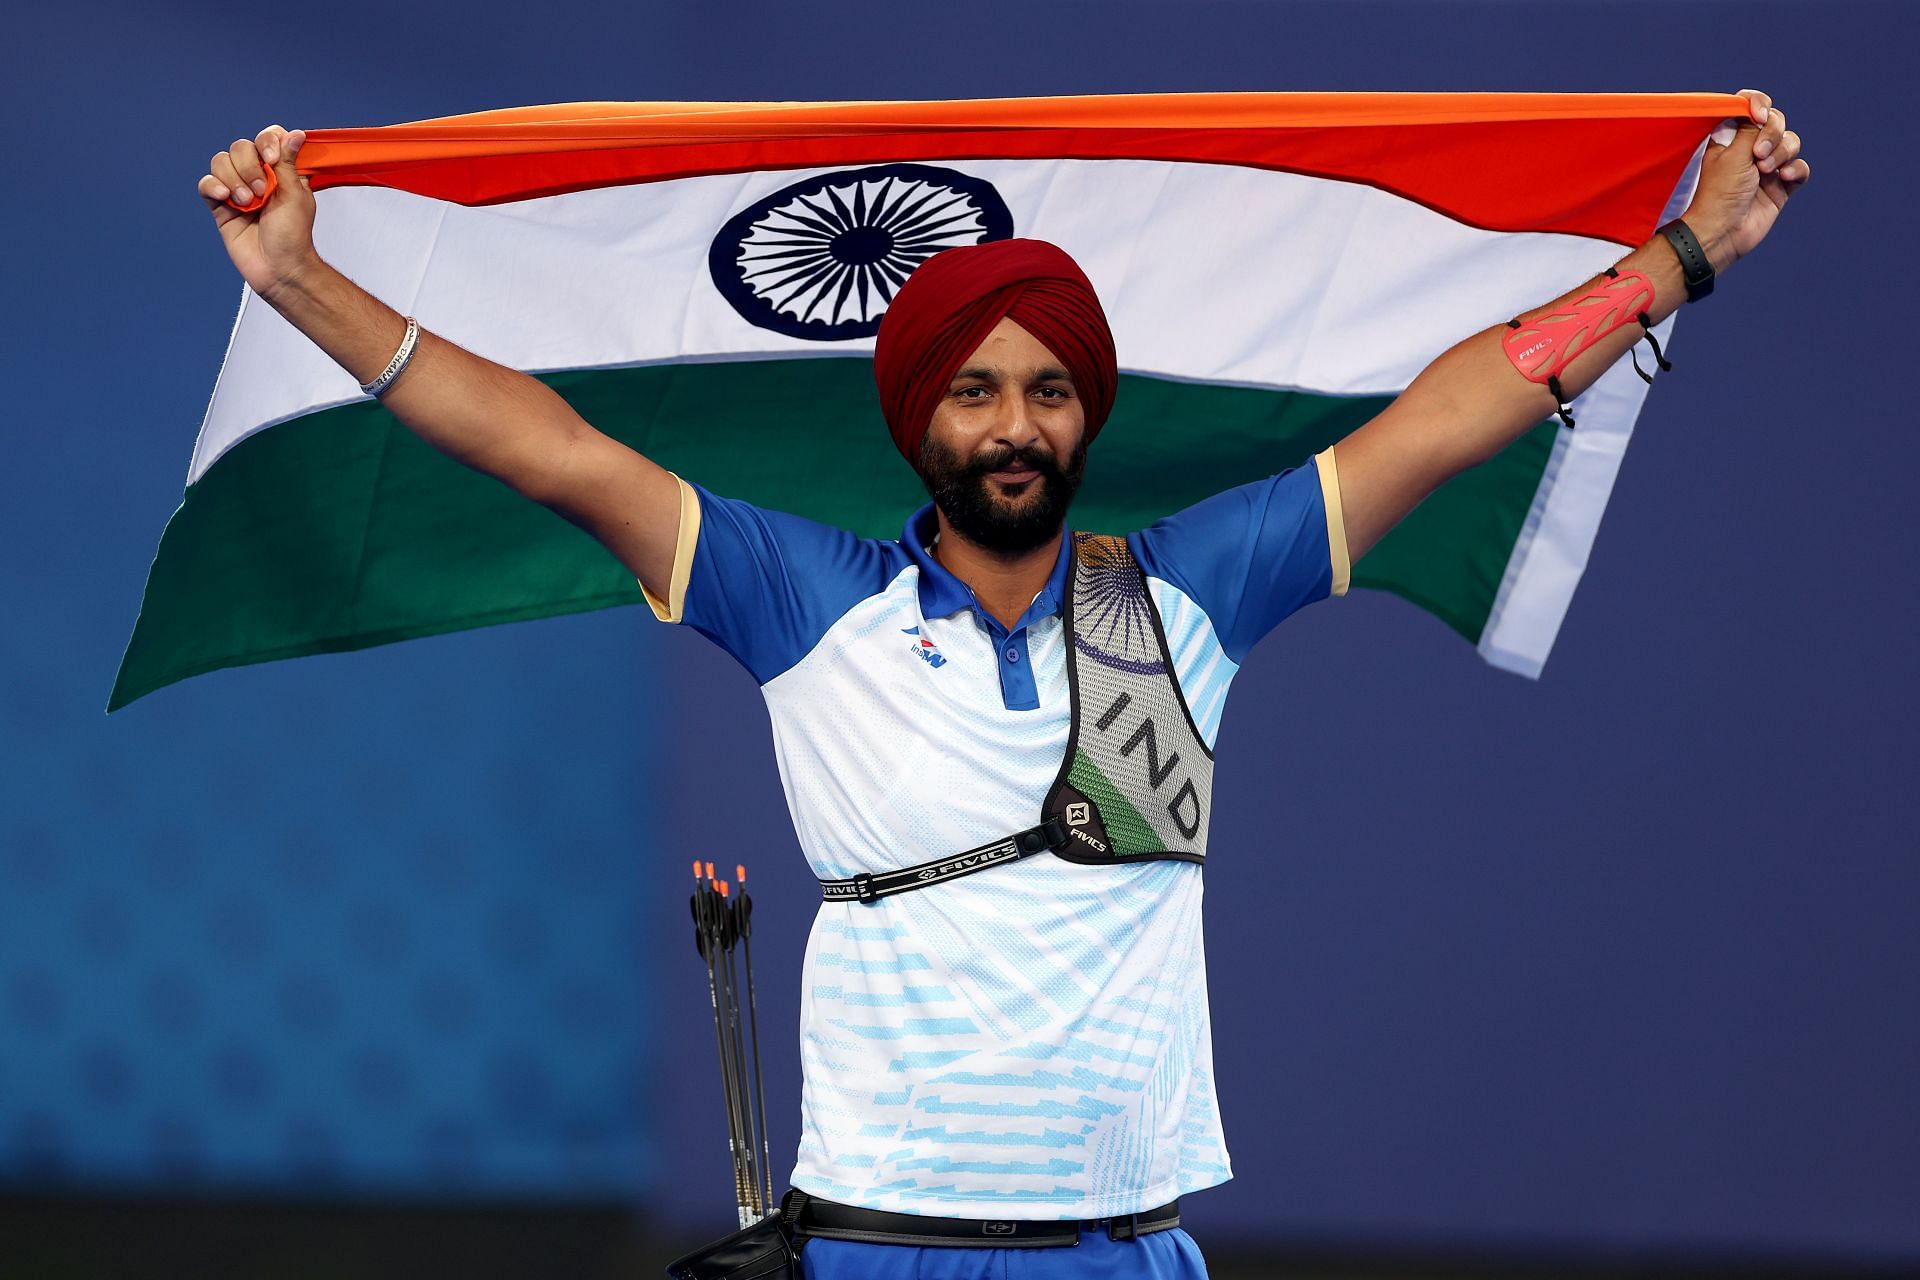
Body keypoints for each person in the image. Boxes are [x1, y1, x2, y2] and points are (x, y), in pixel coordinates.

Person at [197, 91, 1806, 1279]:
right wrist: (300, 284)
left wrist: (1680, 256)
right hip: (879, 1248)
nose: (1014, 424)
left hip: (1128, 1249)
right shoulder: (796, 595)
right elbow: (552, 447)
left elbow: (1453, 414)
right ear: (921, 424)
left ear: (1086, 416)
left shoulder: (1190, 587)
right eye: (973, 391)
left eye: (1046, 390)